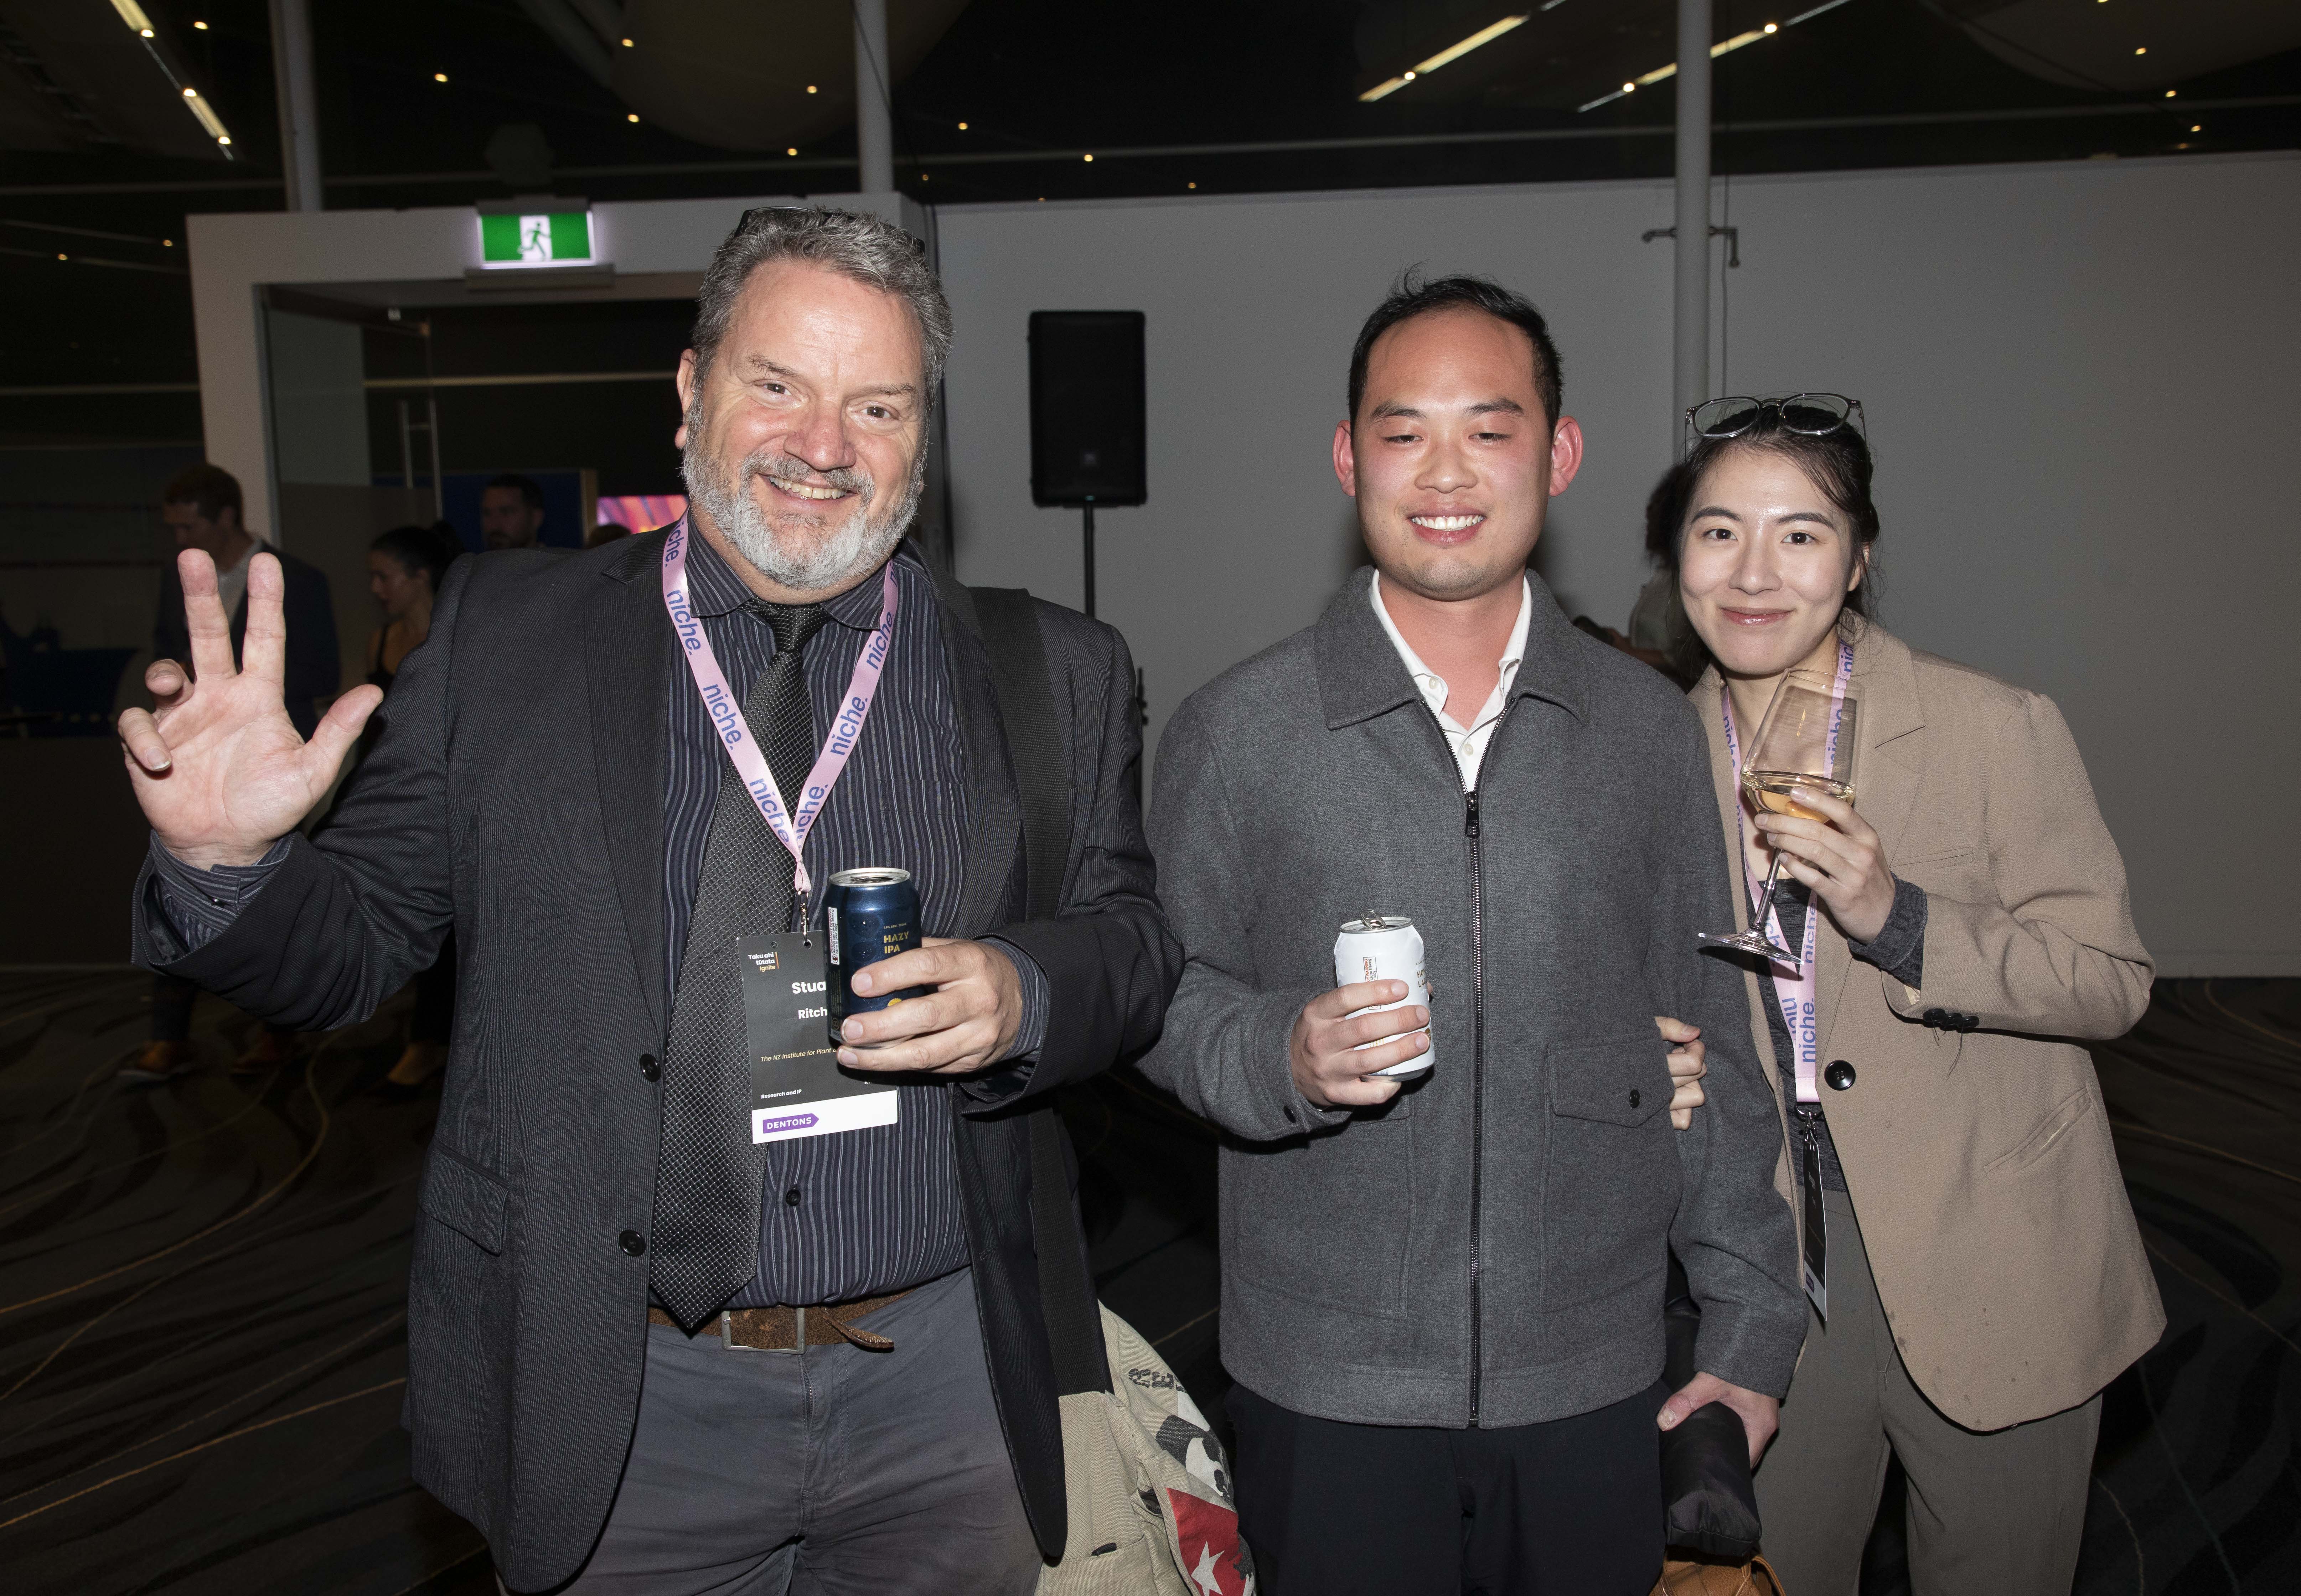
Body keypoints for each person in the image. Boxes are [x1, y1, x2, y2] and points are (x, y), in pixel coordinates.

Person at [116, 207, 1177, 1594]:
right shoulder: (506, 638)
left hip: (944, 1389)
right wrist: (228, 865)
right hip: (618, 1394)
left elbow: (1134, 946)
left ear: (924, 435)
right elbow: (353, 948)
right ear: (690, 390)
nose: (823, 444)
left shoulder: (1053, 671)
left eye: (878, 405)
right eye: (777, 385)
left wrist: (1024, 993)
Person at [1141, 273, 1804, 1596]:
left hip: (1592, 1369)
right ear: (1348, 458)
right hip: (1325, 1378)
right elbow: (1161, 1001)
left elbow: (1715, 1038)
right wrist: (1278, 1052)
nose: (1443, 472)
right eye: (1403, 432)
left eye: (1488, 430)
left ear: (1557, 455)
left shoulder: (1641, 728)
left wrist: (1747, 1322)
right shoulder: (1237, 731)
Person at [1654, 395, 2163, 1595]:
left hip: (1994, 1250)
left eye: (1801, 534)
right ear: (1677, 556)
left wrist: (1902, 919)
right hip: (1770, 1262)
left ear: (1858, 558)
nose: (1754, 574)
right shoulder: (1648, 758)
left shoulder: (1990, 727)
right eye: (1720, 532)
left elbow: (2111, 982)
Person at [122, 464, 338, 1084]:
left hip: (269, 768)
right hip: (194, 768)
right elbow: (164, 651)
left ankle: (278, 1031)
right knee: (177, 888)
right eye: (173, 528)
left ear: (225, 517)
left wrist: (247, 703)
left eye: (188, 526)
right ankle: (169, 1035)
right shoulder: (179, 579)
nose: (178, 538)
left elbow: (323, 669)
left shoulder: (299, 579)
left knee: (274, 901)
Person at [362, 524, 458, 1093]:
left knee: (450, 921)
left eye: (384, 576)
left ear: (420, 576)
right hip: (390, 793)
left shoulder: (459, 632)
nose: (376, 589)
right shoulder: (380, 641)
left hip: (446, 791)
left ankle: (430, 1041)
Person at [480, 472, 546, 550]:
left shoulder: (555, 558)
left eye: (506, 512)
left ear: (536, 518)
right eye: (487, 513)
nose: (494, 525)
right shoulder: (473, 558)